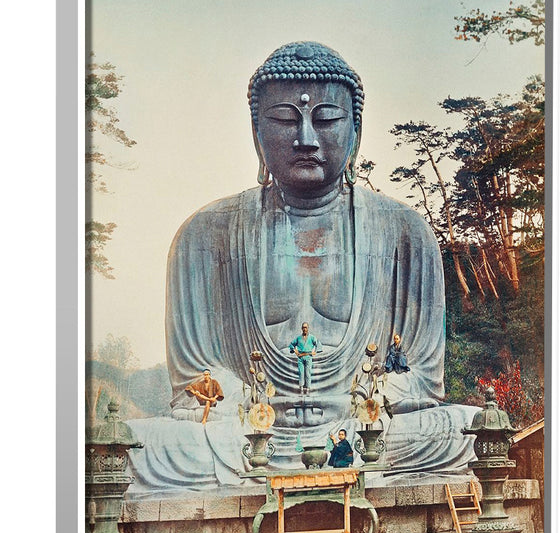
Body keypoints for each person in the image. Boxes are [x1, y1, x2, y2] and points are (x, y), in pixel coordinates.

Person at [150, 40, 478, 489]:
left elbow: (421, 377)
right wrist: (244, 410)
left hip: (366, 429)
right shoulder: (204, 235)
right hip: (247, 436)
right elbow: (196, 381)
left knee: (467, 429)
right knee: (151, 444)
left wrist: (367, 404)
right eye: (285, 119)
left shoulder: (404, 231)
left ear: (356, 132)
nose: (306, 138)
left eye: (325, 119)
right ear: (255, 132)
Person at [289, 322, 322, 395]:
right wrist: (295, 351)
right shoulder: (298, 338)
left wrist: (315, 351)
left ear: (308, 328)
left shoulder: (311, 337)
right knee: (301, 373)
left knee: (308, 373)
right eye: (303, 327)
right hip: (300, 358)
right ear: (301, 329)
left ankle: (308, 389)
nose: (305, 329)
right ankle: (301, 389)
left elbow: (318, 343)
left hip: (308, 357)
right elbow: (291, 344)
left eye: (306, 327)